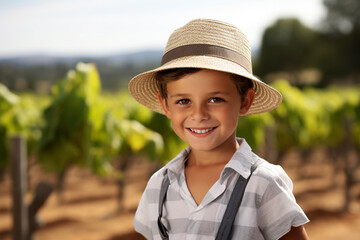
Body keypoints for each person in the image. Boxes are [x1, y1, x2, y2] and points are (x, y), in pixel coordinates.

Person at [128, 18, 309, 240]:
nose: (199, 114)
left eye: (215, 99)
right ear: (165, 105)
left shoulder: (263, 184)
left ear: (245, 100)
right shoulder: (159, 185)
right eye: (183, 101)